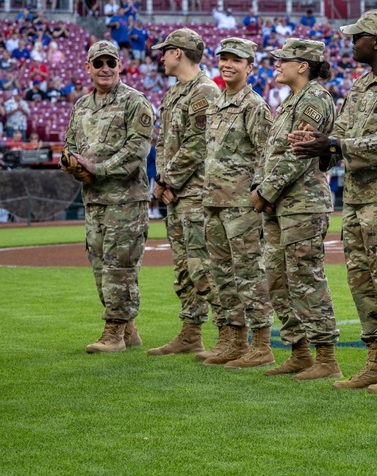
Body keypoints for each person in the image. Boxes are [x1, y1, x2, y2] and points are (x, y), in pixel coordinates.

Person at [292, 9, 377, 394]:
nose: (352, 43)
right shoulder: (361, 85)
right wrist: (318, 145)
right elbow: (339, 137)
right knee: (363, 282)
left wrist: (334, 144)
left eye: (357, 37)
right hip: (358, 199)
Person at [253, 39, 341, 380]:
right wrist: (264, 191)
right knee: (277, 279)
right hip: (280, 205)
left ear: (303, 65)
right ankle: (299, 352)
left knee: (305, 279)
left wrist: (265, 191)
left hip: (303, 205)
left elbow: (299, 154)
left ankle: (326, 358)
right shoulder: (291, 102)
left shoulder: (315, 98)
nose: (277, 65)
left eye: (283, 60)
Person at [63, 41, 154, 353]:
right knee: (101, 267)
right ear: (88, 68)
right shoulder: (81, 106)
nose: (105, 69)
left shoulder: (134, 101)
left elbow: (137, 151)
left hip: (126, 200)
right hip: (95, 200)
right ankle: (128, 331)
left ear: (120, 66)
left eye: (110, 63)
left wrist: (96, 169)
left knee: (120, 266)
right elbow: (69, 144)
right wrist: (69, 162)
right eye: (98, 63)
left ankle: (113, 334)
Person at [147, 28, 224, 358]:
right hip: (176, 193)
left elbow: (198, 144)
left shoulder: (204, 91)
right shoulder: (175, 93)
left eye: (165, 51)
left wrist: (168, 181)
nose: (161, 57)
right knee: (183, 268)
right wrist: (161, 180)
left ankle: (228, 336)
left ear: (178, 52)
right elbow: (162, 141)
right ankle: (191, 333)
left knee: (204, 267)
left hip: (195, 194)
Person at [201, 37, 276, 368]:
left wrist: (259, 193)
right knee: (222, 275)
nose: (228, 64)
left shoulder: (254, 106)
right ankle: (231, 339)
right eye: (224, 58)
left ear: (250, 67)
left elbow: (266, 153)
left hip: (241, 205)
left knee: (248, 272)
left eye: (236, 59)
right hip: (215, 202)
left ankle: (261, 343)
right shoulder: (216, 104)